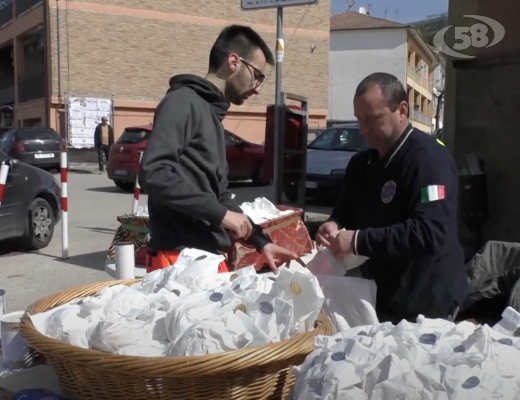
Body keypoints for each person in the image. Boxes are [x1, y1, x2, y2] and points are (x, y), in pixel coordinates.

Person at [139, 25, 298, 273]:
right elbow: (154, 172)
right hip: (178, 259)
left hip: (206, 258)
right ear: (234, 61)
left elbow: (219, 196)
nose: (257, 88)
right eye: (257, 75)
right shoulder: (182, 102)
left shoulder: (212, 115)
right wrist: (221, 216)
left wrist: (259, 241)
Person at [316, 72, 468, 324]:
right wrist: (333, 223)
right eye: (359, 119)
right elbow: (346, 208)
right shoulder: (361, 163)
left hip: (427, 304)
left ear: (402, 110)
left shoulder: (429, 161)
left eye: (373, 119)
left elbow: (430, 232)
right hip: (381, 297)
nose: (363, 128)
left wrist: (358, 241)